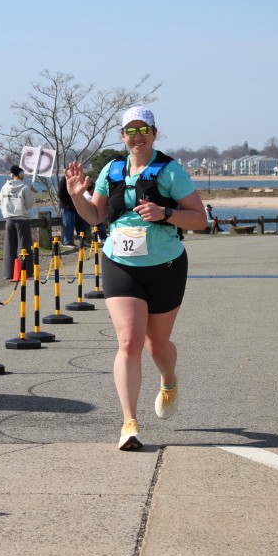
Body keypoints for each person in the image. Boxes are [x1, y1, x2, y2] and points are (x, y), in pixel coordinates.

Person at [64, 106, 205, 450]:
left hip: (165, 265)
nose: (137, 136)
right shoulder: (112, 170)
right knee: (129, 341)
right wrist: (76, 196)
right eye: (131, 131)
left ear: (154, 133)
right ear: (123, 135)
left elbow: (200, 220)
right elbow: (95, 216)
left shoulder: (170, 171)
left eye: (144, 130)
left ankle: (169, 380)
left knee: (157, 345)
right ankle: (129, 423)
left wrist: (165, 212)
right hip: (120, 263)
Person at [0, 164, 35, 279]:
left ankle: (9, 273)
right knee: (24, 246)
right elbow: (29, 205)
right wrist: (32, 193)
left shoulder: (4, 187)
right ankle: (26, 271)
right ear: (21, 175)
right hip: (22, 220)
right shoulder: (24, 188)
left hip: (9, 220)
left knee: (9, 247)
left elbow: (0, 202)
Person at [57, 173, 88, 248]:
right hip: (67, 206)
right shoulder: (64, 180)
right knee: (68, 223)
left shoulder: (76, 179)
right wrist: (67, 203)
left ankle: (82, 240)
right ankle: (67, 241)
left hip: (76, 205)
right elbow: (60, 194)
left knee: (81, 222)